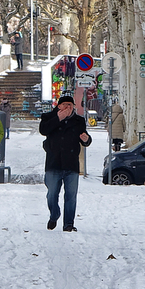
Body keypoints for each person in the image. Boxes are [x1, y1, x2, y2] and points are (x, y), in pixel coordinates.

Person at [39, 94, 92, 231]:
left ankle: (68, 224)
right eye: (65, 105)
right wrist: (58, 118)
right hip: (53, 163)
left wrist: (86, 139)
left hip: (71, 164)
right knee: (52, 194)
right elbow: (43, 130)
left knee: (71, 196)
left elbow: (85, 139)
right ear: (59, 106)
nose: (68, 107)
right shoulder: (49, 117)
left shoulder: (78, 120)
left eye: (70, 105)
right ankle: (54, 214)